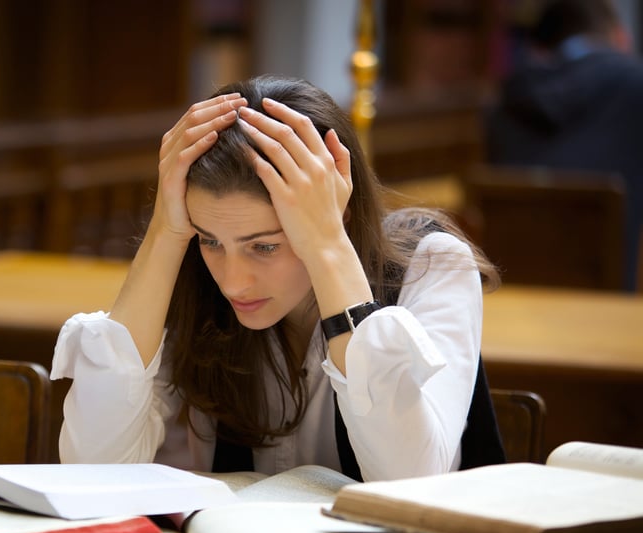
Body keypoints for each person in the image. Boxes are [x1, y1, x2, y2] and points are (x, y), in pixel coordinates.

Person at [51, 75, 503, 481]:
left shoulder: (433, 266)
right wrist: (166, 234)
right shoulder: (192, 277)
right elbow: (94, 470)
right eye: (210, 241)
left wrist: (327, 246)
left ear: (332, 214)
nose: (232, 283)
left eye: (263, 246)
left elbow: (409, 480)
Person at [486, 0, 643, 291]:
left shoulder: (506, 99)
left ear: (539, 47)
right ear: (620, 36)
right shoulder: (635, 88)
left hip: (514, 306)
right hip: (620, 313)